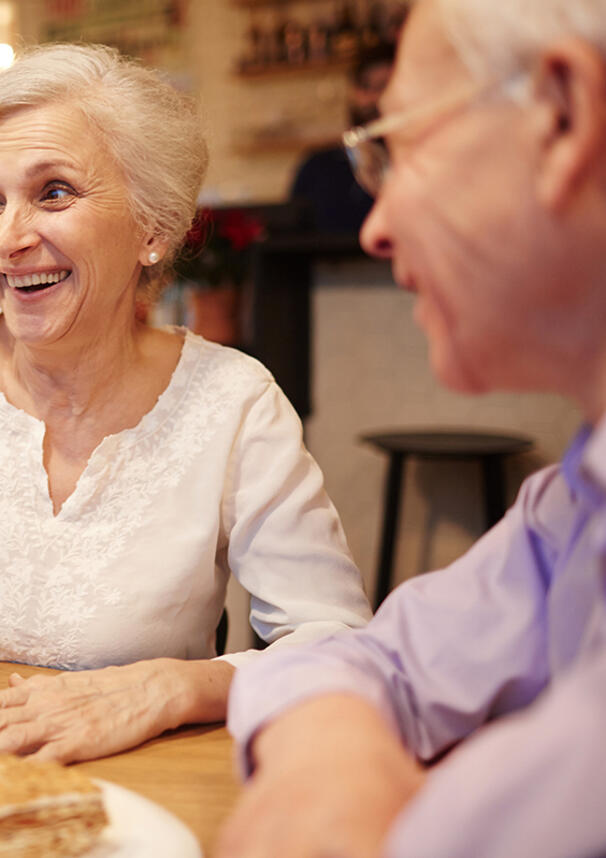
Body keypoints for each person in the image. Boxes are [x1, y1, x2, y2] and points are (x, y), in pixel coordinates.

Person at [0, 43, 371, 764]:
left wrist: (174, 688)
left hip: (148, 780)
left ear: (154, 227)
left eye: (54, 192)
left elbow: (335, 642)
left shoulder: (235, 402)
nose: (8, 238)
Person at [219, 1, 606, 856]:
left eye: (395, 147)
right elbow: (376, 656)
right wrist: (332, 760)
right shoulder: (574, 501)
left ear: (563, 117)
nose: (375, 225)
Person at [288, 42, 396, 234]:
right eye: (365, 86)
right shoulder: (317, 168)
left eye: (385, 86)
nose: (373, 98)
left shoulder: (428, 165)